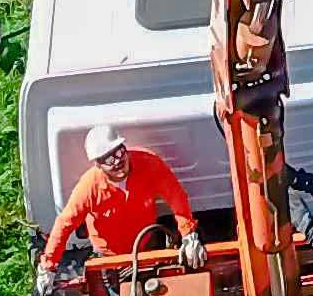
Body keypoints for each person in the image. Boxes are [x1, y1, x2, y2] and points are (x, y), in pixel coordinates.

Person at [39, 121, 207, 283]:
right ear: (98, 164)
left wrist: (189, 234)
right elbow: (65, 223)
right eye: (109, 160)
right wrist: (48, 266)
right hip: (109, 257)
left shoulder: (148, 163)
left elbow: (176, 195)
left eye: (119, 152)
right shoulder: (89, 187)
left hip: (146, 245)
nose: (117, 162)